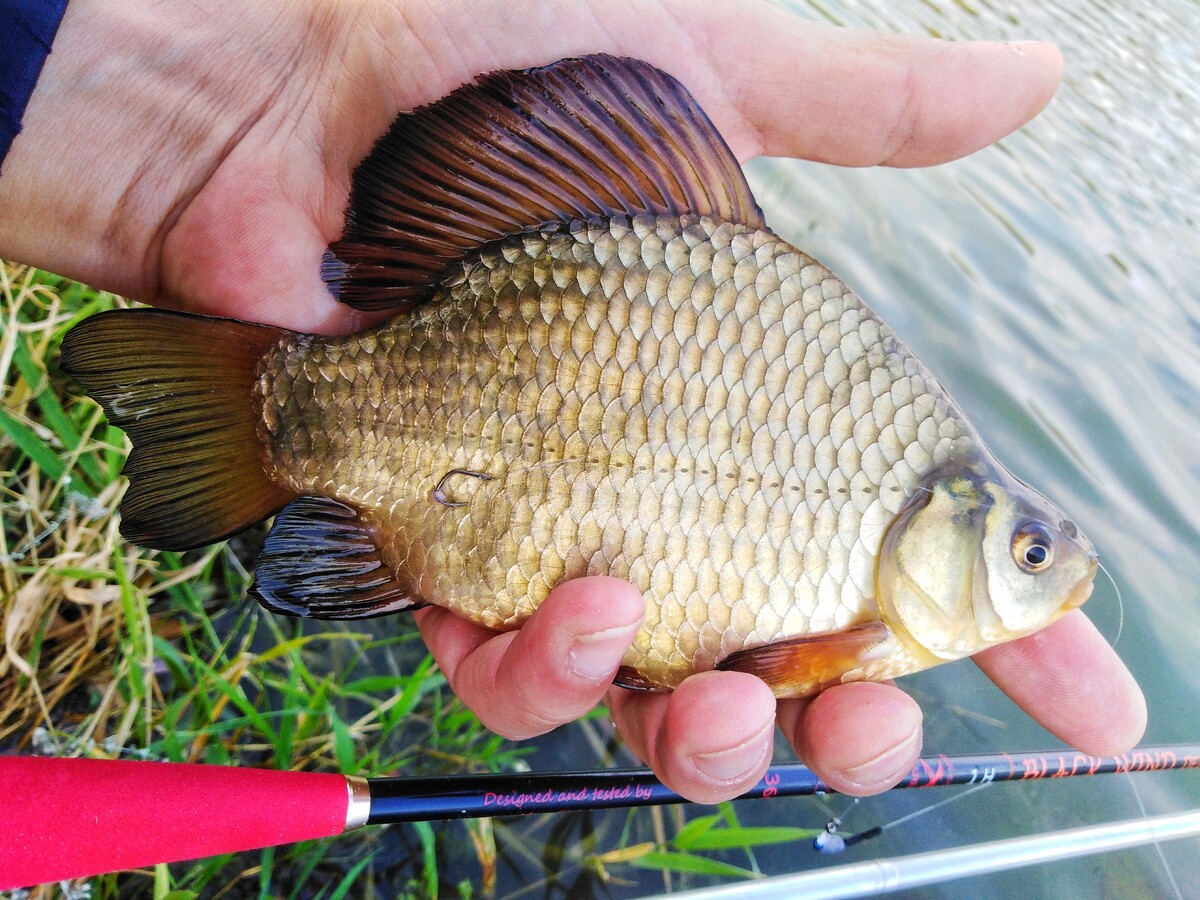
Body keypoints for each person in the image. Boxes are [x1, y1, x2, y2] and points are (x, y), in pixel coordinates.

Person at [0, 0, 1145, 804]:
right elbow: (766, 671)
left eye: (1031, 551)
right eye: (1029, 550)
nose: (1040, 568)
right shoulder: (869, 585)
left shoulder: (873, 465)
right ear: (943, 518)